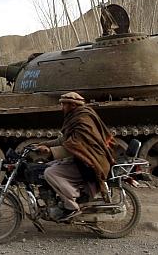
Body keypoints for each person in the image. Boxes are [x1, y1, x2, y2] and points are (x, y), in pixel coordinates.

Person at [36, 92, 115, 222]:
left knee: (50, 173)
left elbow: (77, 147)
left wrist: (50, 152)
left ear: (73, 105)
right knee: (50, 166)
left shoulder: (82, 120)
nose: (62, 108)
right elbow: (66, 140)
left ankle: (72, 205)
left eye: (64, 105)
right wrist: (44, 144)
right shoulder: (76, 116)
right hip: (85, 159)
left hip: (92, 162)